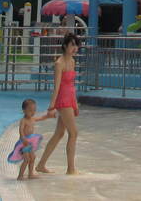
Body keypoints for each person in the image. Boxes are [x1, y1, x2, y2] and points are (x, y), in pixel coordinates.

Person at [37, 32, 81, 175]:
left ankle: (41, 165)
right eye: (72, 45)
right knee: (73, 133)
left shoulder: (72, 61)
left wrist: (75, 103)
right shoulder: (59, 63)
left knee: (59, 133)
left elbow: (72, 85)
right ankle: (71, 168)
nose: (75, 48)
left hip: (70, 99)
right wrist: (51, 106)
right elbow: (56, 87)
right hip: (62, 100)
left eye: (76, 45)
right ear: (65, 46)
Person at [7, 98, 55, 180]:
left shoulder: (33, 119)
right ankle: (20, 176)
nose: (32, 112)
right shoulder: (23, 121)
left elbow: (41, 118)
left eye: (34, 110)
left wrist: (48, 116)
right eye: (30, 110)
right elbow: (21, 130)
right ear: (24, 110)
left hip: (30, 143)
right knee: (26, 159)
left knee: (32, 158)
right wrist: (23, 138)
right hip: (24, 143)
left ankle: (30, 174)